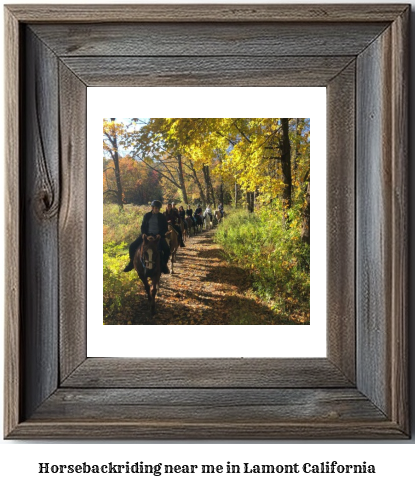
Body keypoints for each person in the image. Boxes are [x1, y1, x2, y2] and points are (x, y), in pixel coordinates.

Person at [123, 200, 170, 274]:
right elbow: (143, 226)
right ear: (152, 207)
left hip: (157, 236)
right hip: (147, 235)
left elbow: (165, 228)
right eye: (156, 208)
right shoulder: (147, 215)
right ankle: (131, 263)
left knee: (167, 249)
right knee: (132, 246)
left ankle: (164, 265)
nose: (157, 209)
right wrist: (144, 234)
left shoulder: (162, 217)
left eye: (158, 208)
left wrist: (160, 234)